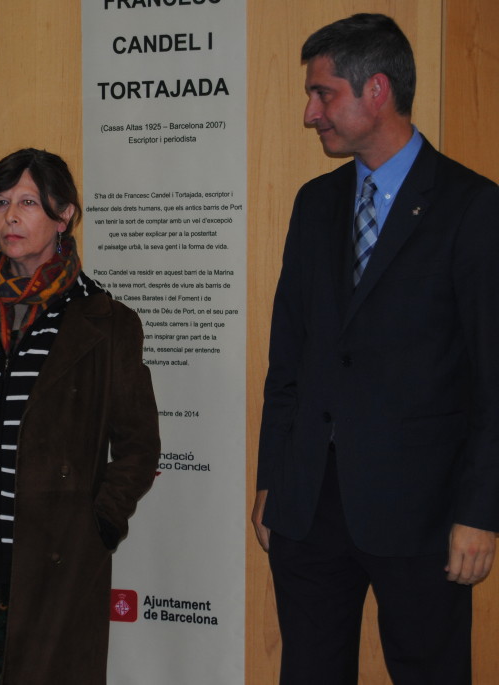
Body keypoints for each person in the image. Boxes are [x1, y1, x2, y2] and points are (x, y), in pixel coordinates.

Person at [251, 13, 499, 684]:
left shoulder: (472, 208)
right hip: (309, 508)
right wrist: (273, 480)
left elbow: (493, 380)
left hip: (423, 514)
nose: (310, 113)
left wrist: (481, 513)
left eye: (323, 93)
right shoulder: (314, 204)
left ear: (377, 90)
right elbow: (288, 357)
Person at [0, 148, 160, 684]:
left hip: (55, 567)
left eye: (27, 202)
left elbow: (138, 445)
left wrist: (100, 525)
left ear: (64, 216)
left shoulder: (107, 322)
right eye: (0, 203)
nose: (10, 216)